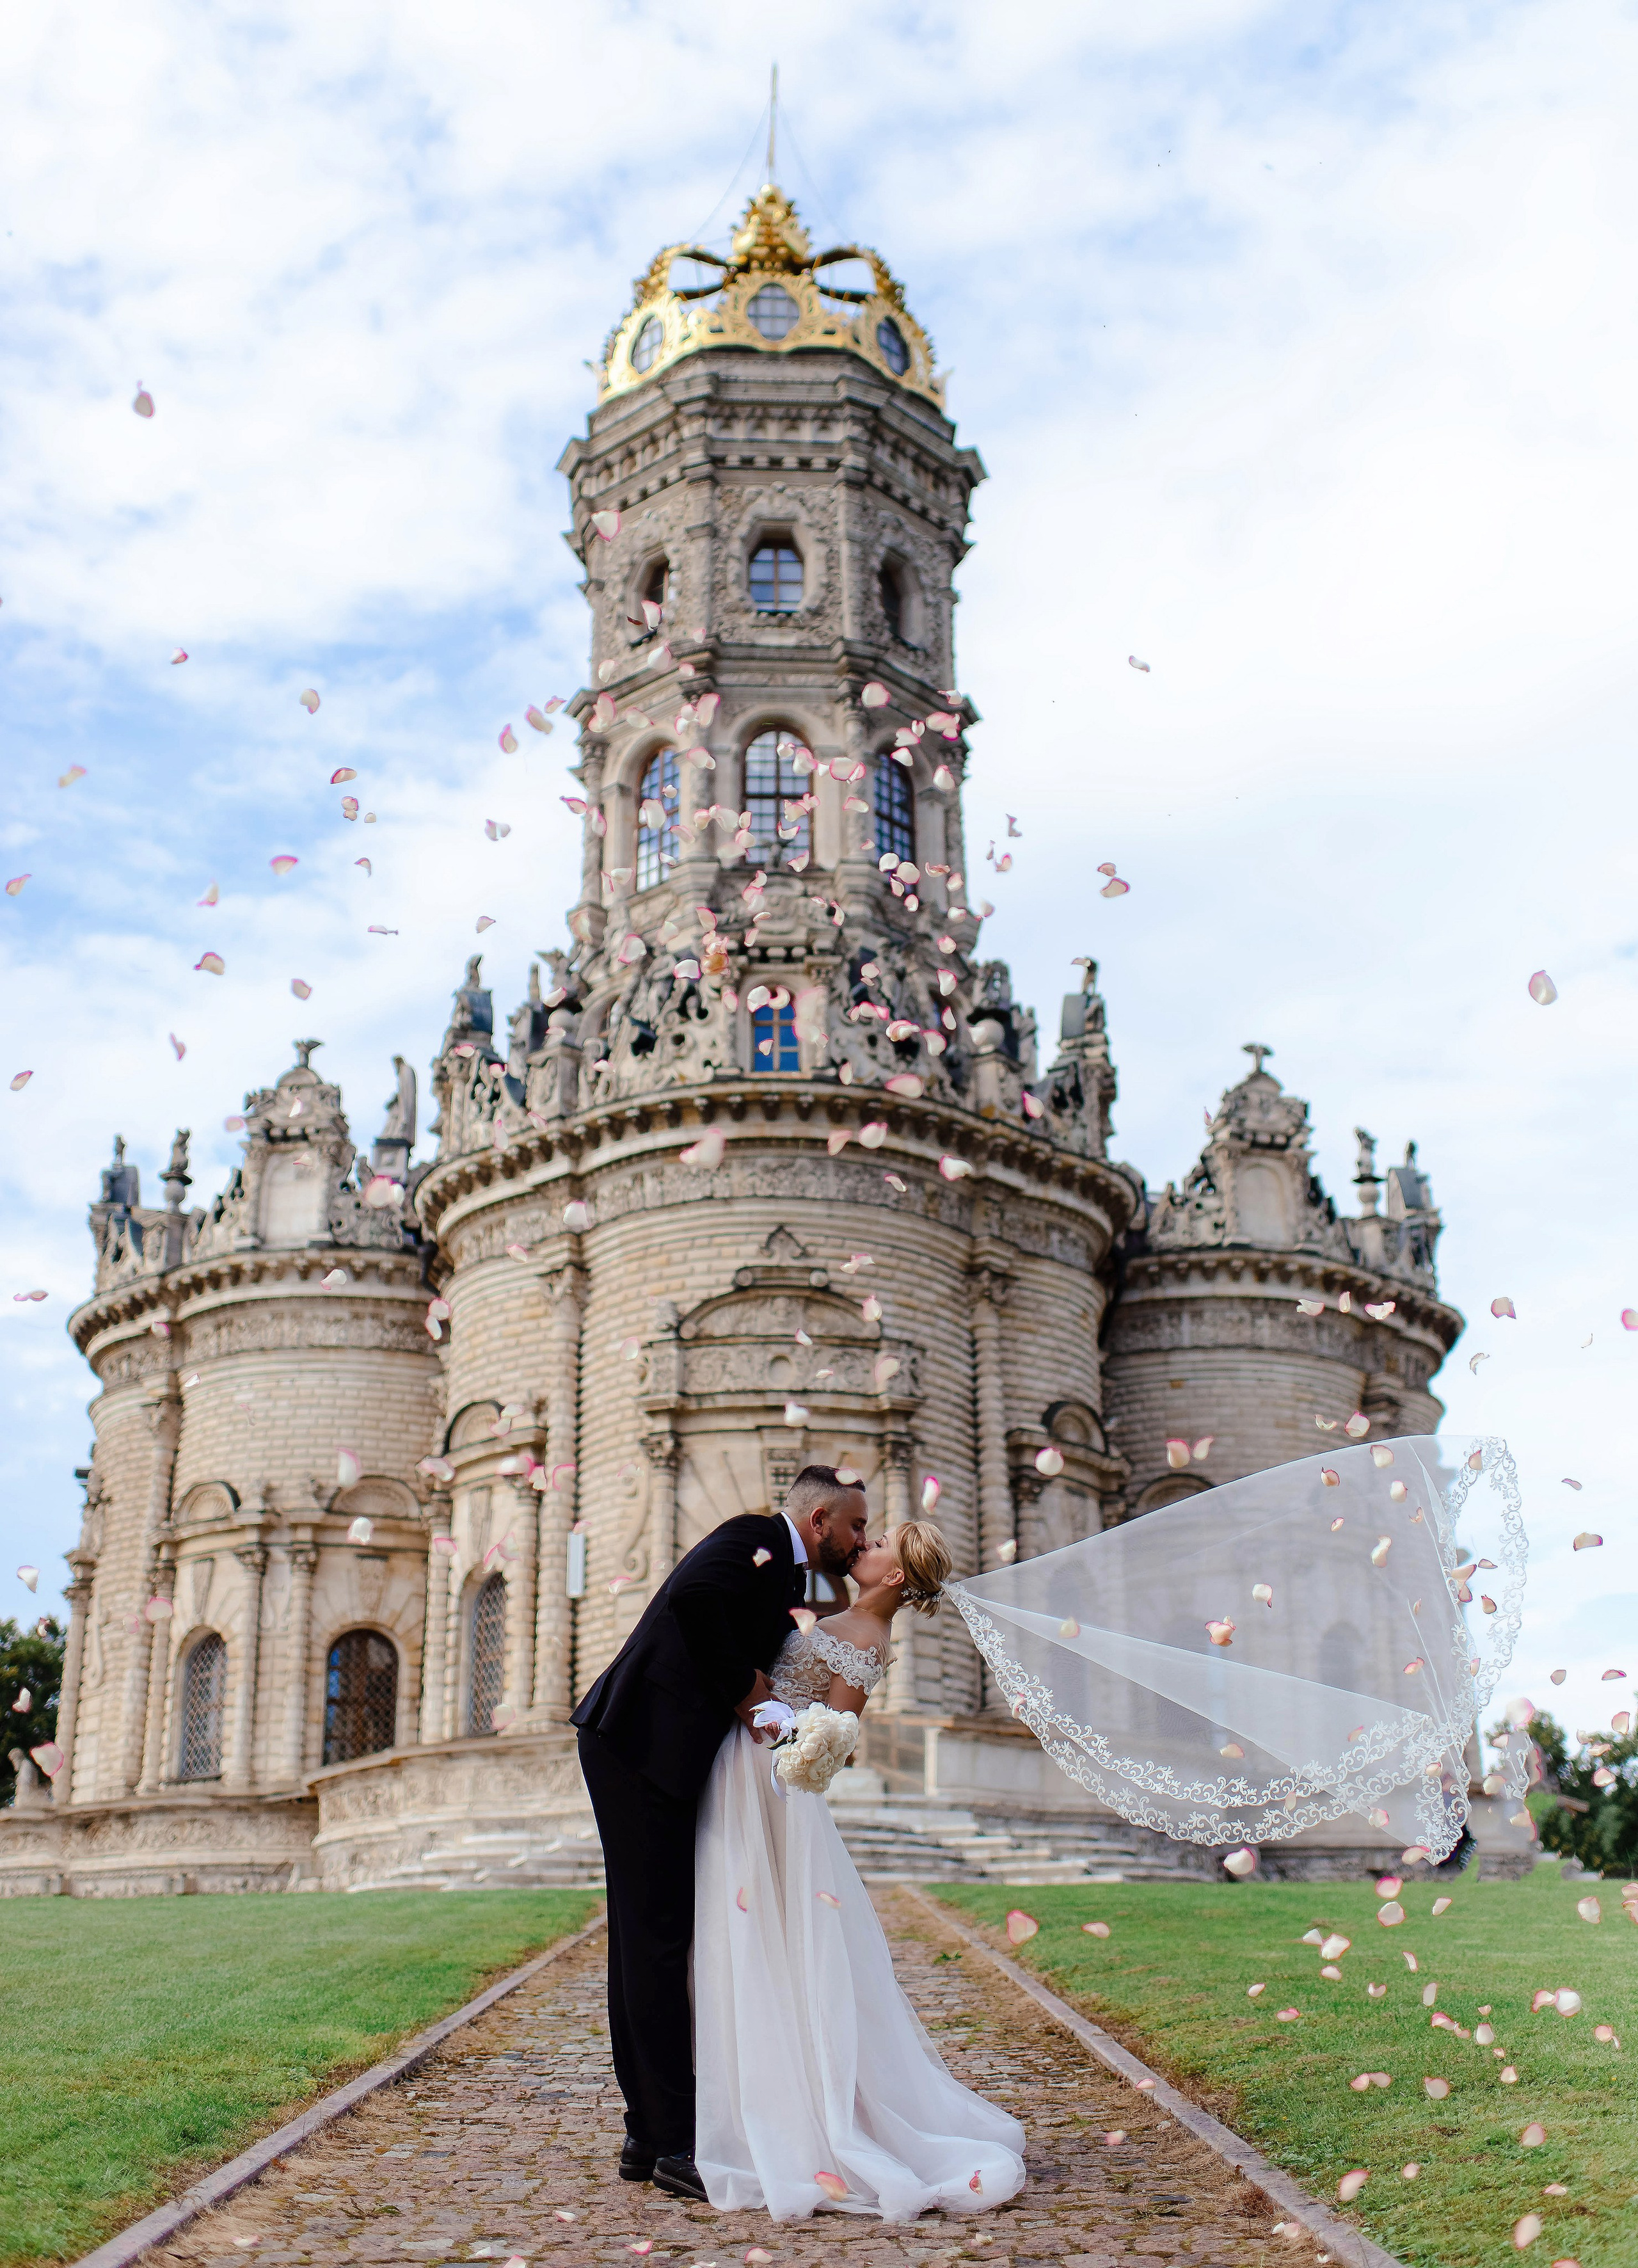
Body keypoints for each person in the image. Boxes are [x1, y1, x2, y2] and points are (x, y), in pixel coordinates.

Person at [692, 1514, 1027, 2222]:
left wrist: (769, 1711)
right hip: (751, 1767)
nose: (862, 1548)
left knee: (777, 1934)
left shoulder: (866, 1640)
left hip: (771, 1783)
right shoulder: (845, 1620)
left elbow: (829, 1737)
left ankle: (810, 2116)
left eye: (876, 1547)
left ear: (896, 1576)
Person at [572, 1464, 870, 2203]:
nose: (859, 1539)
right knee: (655, 1941)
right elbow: (694, 1598)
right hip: (636, 1744)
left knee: (654, 1939)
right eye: (856, 1525)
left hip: (661, 1755)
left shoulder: (785, 1576)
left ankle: (648, 2131)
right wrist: (750, 1697)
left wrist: (790, 1729)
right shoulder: (753, 1538)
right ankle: (674, 2140)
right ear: (821, 1518)